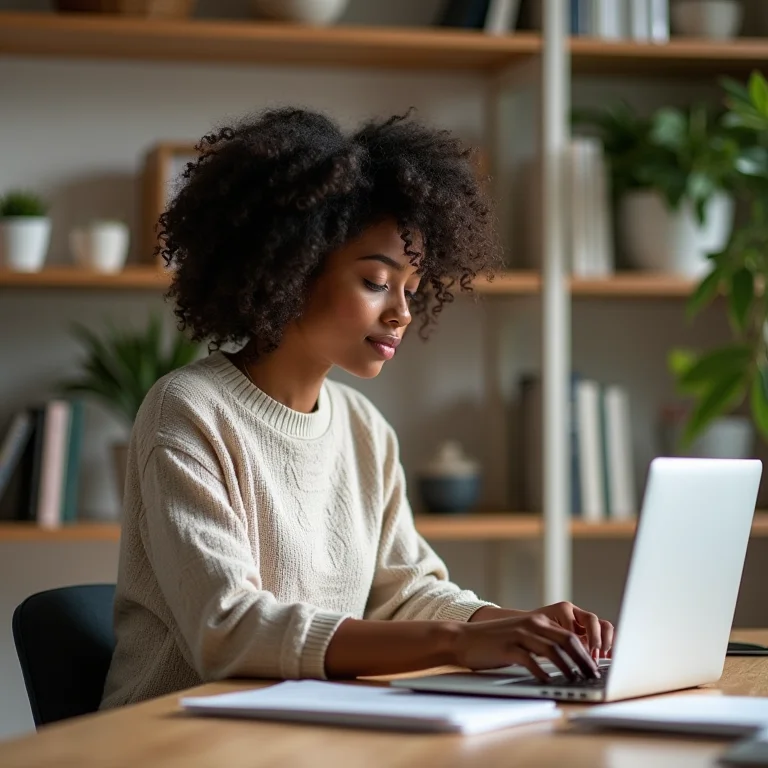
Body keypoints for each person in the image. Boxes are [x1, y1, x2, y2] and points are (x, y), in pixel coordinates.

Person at [100, 107, 613, 710]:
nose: (401, 312)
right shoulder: (188, 412)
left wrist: (510, 626)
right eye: (376, 281)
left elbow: (407, 592)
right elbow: (229, 630)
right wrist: (459, 644)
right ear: (288, 267)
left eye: (411, 292)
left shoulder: (365, 429)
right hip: (174, 741)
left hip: (305, 732)